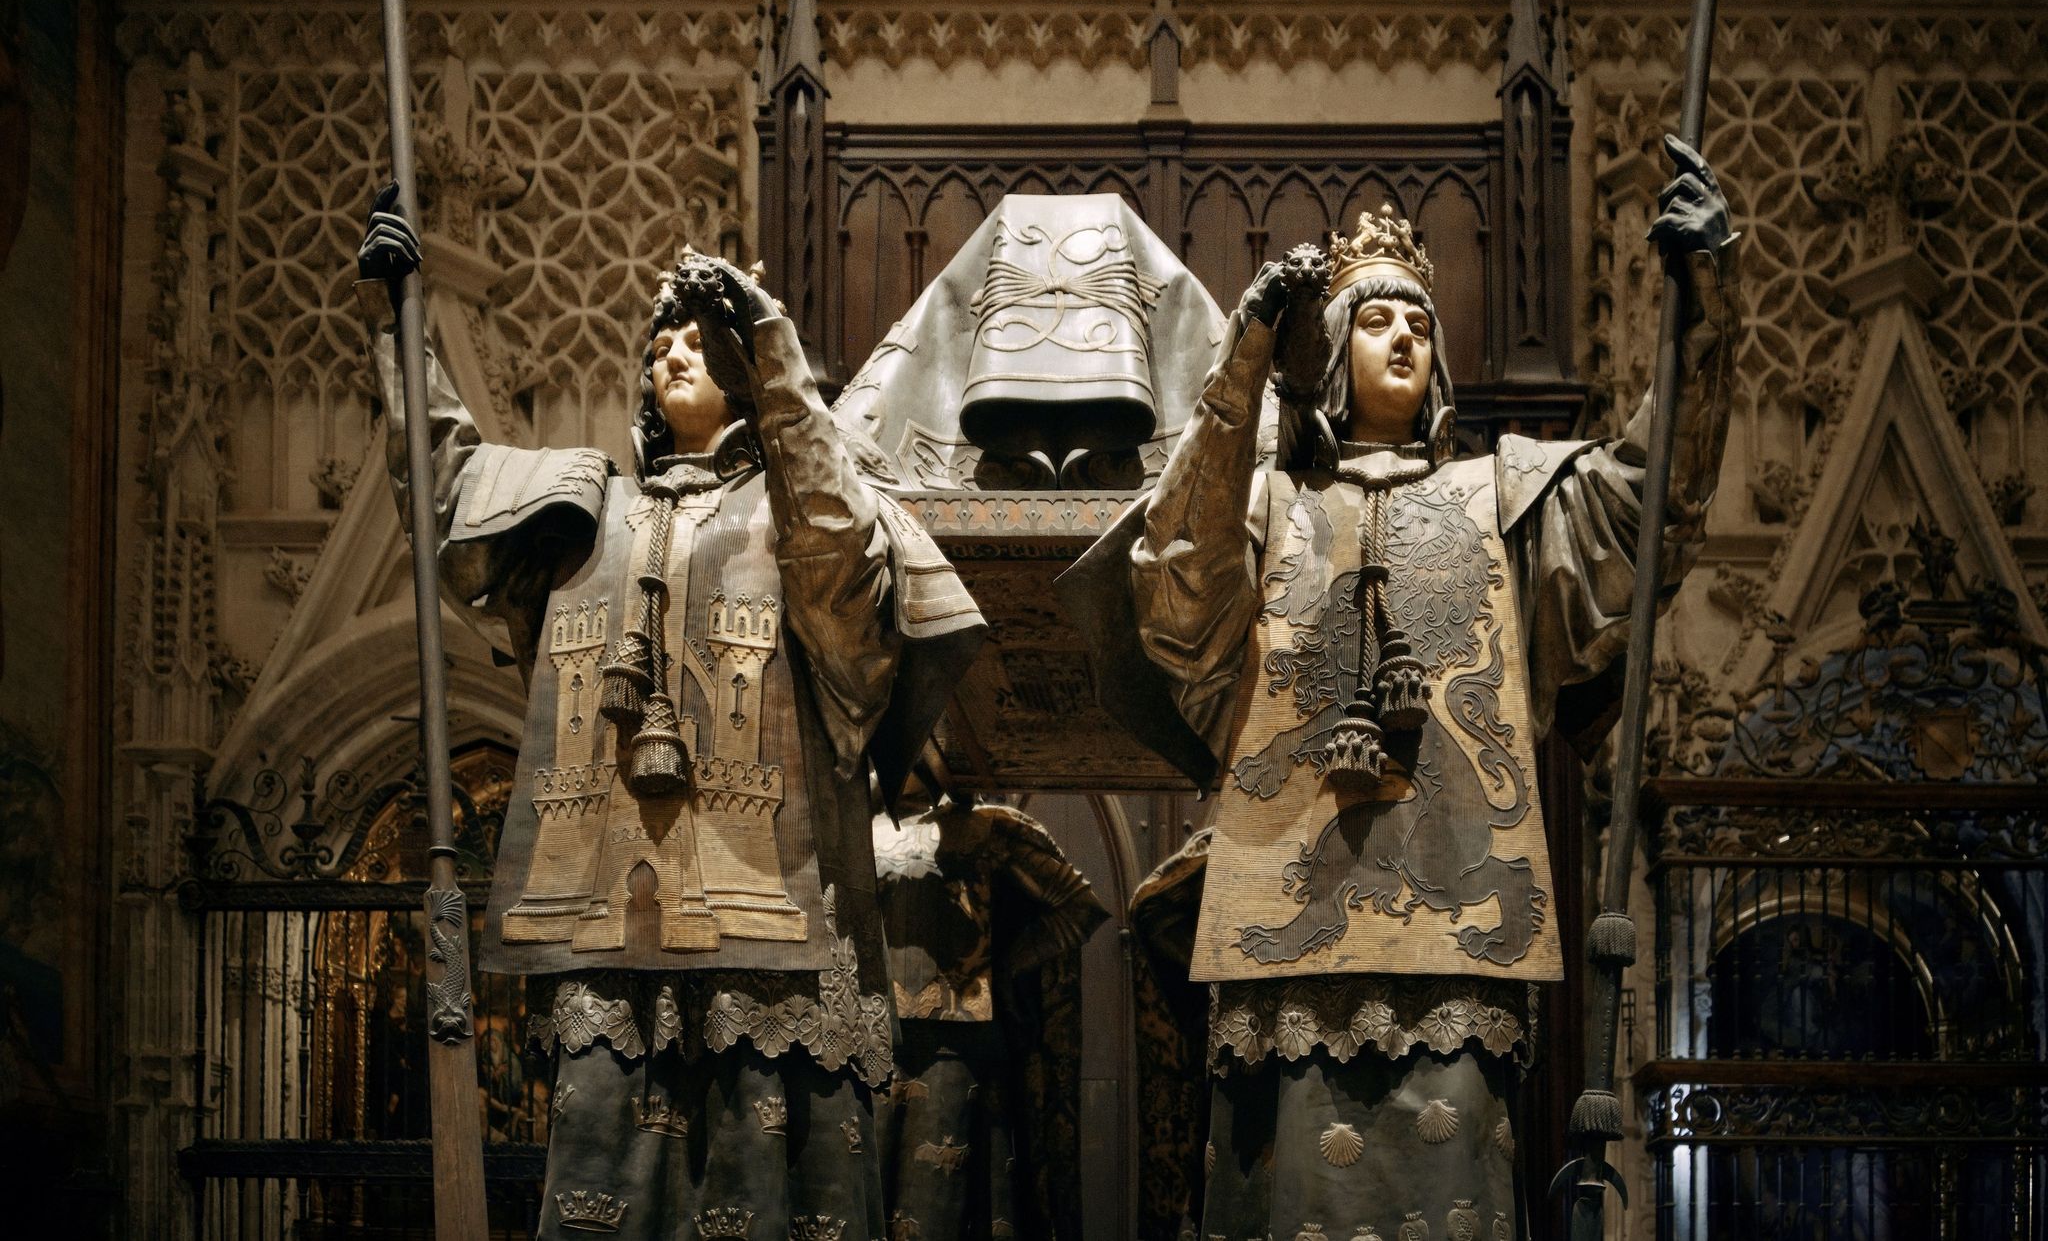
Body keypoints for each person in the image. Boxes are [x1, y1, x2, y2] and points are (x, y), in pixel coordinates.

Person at [1070, 137, 1738, 1238]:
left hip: (1454, 948)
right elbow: (1175, 583)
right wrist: (1241, 361)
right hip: (1284, 936)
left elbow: (1646, 498)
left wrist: (1701, 312)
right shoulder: (1269, 508)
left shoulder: (1506, 501)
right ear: (1330, 353)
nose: (1403, 340)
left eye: (1420, 325)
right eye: (1375, 321)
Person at [358, 194, 984, 1241]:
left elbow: (839, 558)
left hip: (776, 932)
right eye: (663, 341)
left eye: (705, 340)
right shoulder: (581, 510)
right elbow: (443, 487)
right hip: (610, 933)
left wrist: (779, 356)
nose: (675, 354)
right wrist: (395, 326)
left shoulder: (805, 514)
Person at [869, 771, 1108, 1240]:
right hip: (868, 1037)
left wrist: (1008, 964)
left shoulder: (990, 826)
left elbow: (1079, 906)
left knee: (943, 1209)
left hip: (958, 1046)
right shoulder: (857, 823)